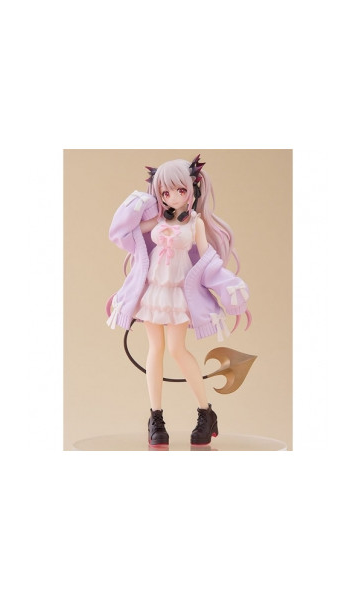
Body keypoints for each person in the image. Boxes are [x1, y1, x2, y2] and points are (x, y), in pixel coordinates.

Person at [106, 155, 250, 446]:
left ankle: (205, 412)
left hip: (178, 292)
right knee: (155, 349)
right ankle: (155, 418)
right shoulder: (157, 220)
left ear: (191, 190)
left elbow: (207, 260)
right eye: (165, 192)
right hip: (154, 290)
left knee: (176, 349)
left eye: (179, 190)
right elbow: (122, 232)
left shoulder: (195, 223)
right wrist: (137, 202)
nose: (172, 197)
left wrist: (227, 284)